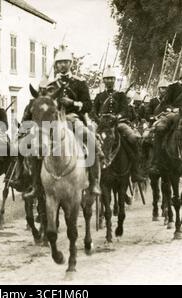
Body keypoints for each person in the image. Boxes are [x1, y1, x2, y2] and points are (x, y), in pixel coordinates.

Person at [23, 46, 103, 200]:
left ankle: (94, 182)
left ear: (70, 64)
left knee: (90, 139)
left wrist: (73, 103)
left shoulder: (80, 83)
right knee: (35, 145)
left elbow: (88, 105)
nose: (62, 65)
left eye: (66, 62)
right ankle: (35, 185)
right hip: (53, 122)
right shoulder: (50, 84)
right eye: (59, 63)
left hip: (73, 118)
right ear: (56, 65)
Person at [93, 67, 145, 183]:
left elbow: (125, 110)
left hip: (118, 124)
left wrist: (117, 117)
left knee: (133, 139)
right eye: (107, 79)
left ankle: (135, 171)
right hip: (102, 125)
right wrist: (98, 120)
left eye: (111, 79)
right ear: (104, 81)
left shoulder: (121, 95)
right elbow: (93, 111)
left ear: (114, 80)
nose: (109, 81)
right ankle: (90, 172)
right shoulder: (99, 96)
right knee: (88, 140)